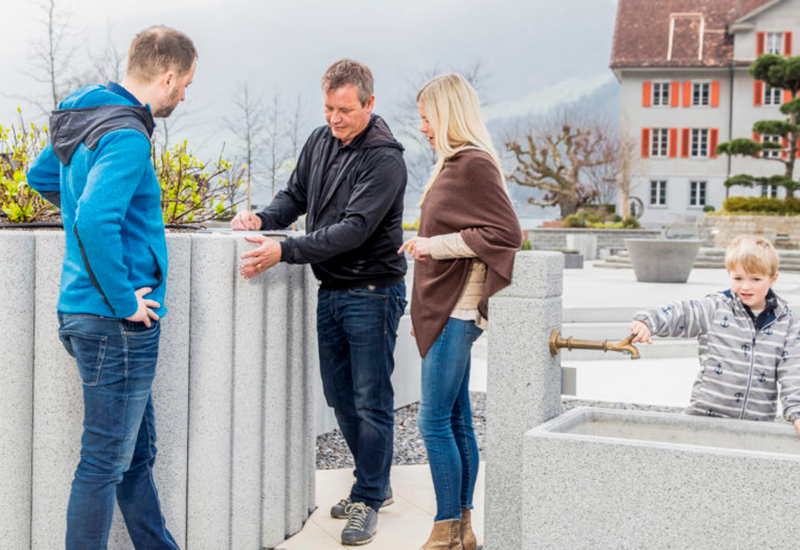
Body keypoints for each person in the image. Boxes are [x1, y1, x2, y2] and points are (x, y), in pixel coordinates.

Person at [26, 26, 196, 549]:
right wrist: (125, 298)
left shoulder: (83, 113)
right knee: (102, 464)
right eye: (186, 83)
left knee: (134, 456)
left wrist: (83, 221)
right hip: (116, 323)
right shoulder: (126, 135)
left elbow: (41, 176)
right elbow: (96, 219)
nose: (185, 94)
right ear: (167, 77)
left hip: (83, 314)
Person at [229, 58, 407, 546]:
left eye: (344, 110)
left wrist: (284, 250)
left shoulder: (385, 158)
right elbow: (295, 196)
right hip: (332, 290)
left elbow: (353, 230)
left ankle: (368, 497)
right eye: (328, 107)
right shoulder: (320, 140)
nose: (334, 118)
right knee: (339, 395)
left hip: (373, 291)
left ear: (369, 104)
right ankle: (376, 482)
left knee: (372, 400)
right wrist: (262, 220)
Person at [399, 74, 522, 550]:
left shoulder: (474, 164)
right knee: (456, 421)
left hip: (457, 312)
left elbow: (505, 235)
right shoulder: (453, 164)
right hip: (446, 311)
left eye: (428, 118)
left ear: (448, 114)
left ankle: (446, 528)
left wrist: (434, 245)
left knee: (432, 422)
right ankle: (463, 532)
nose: (424, 127)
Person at [630, 235, 800, 435]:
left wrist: (797, 413)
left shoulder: (786, 321)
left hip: (757, 424)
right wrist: (647, 321)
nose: (745, 286)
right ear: (729, 275)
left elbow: (793, 372)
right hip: (704, 418)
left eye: (755, 279)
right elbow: (682, 312)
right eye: (738, 278)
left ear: (772, 279)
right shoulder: (716, 308)